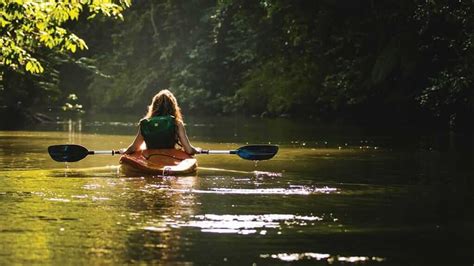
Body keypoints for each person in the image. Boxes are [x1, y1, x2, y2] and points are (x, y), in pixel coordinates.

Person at [122, 89, 200, 155]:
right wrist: (196, 150)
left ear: (154, 106)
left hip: (150, 158)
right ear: (173, 107)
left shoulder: (146, 123)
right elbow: (189, 150)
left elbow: (134, 148)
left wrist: (125, 151)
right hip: (170, 158)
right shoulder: (177, 123)